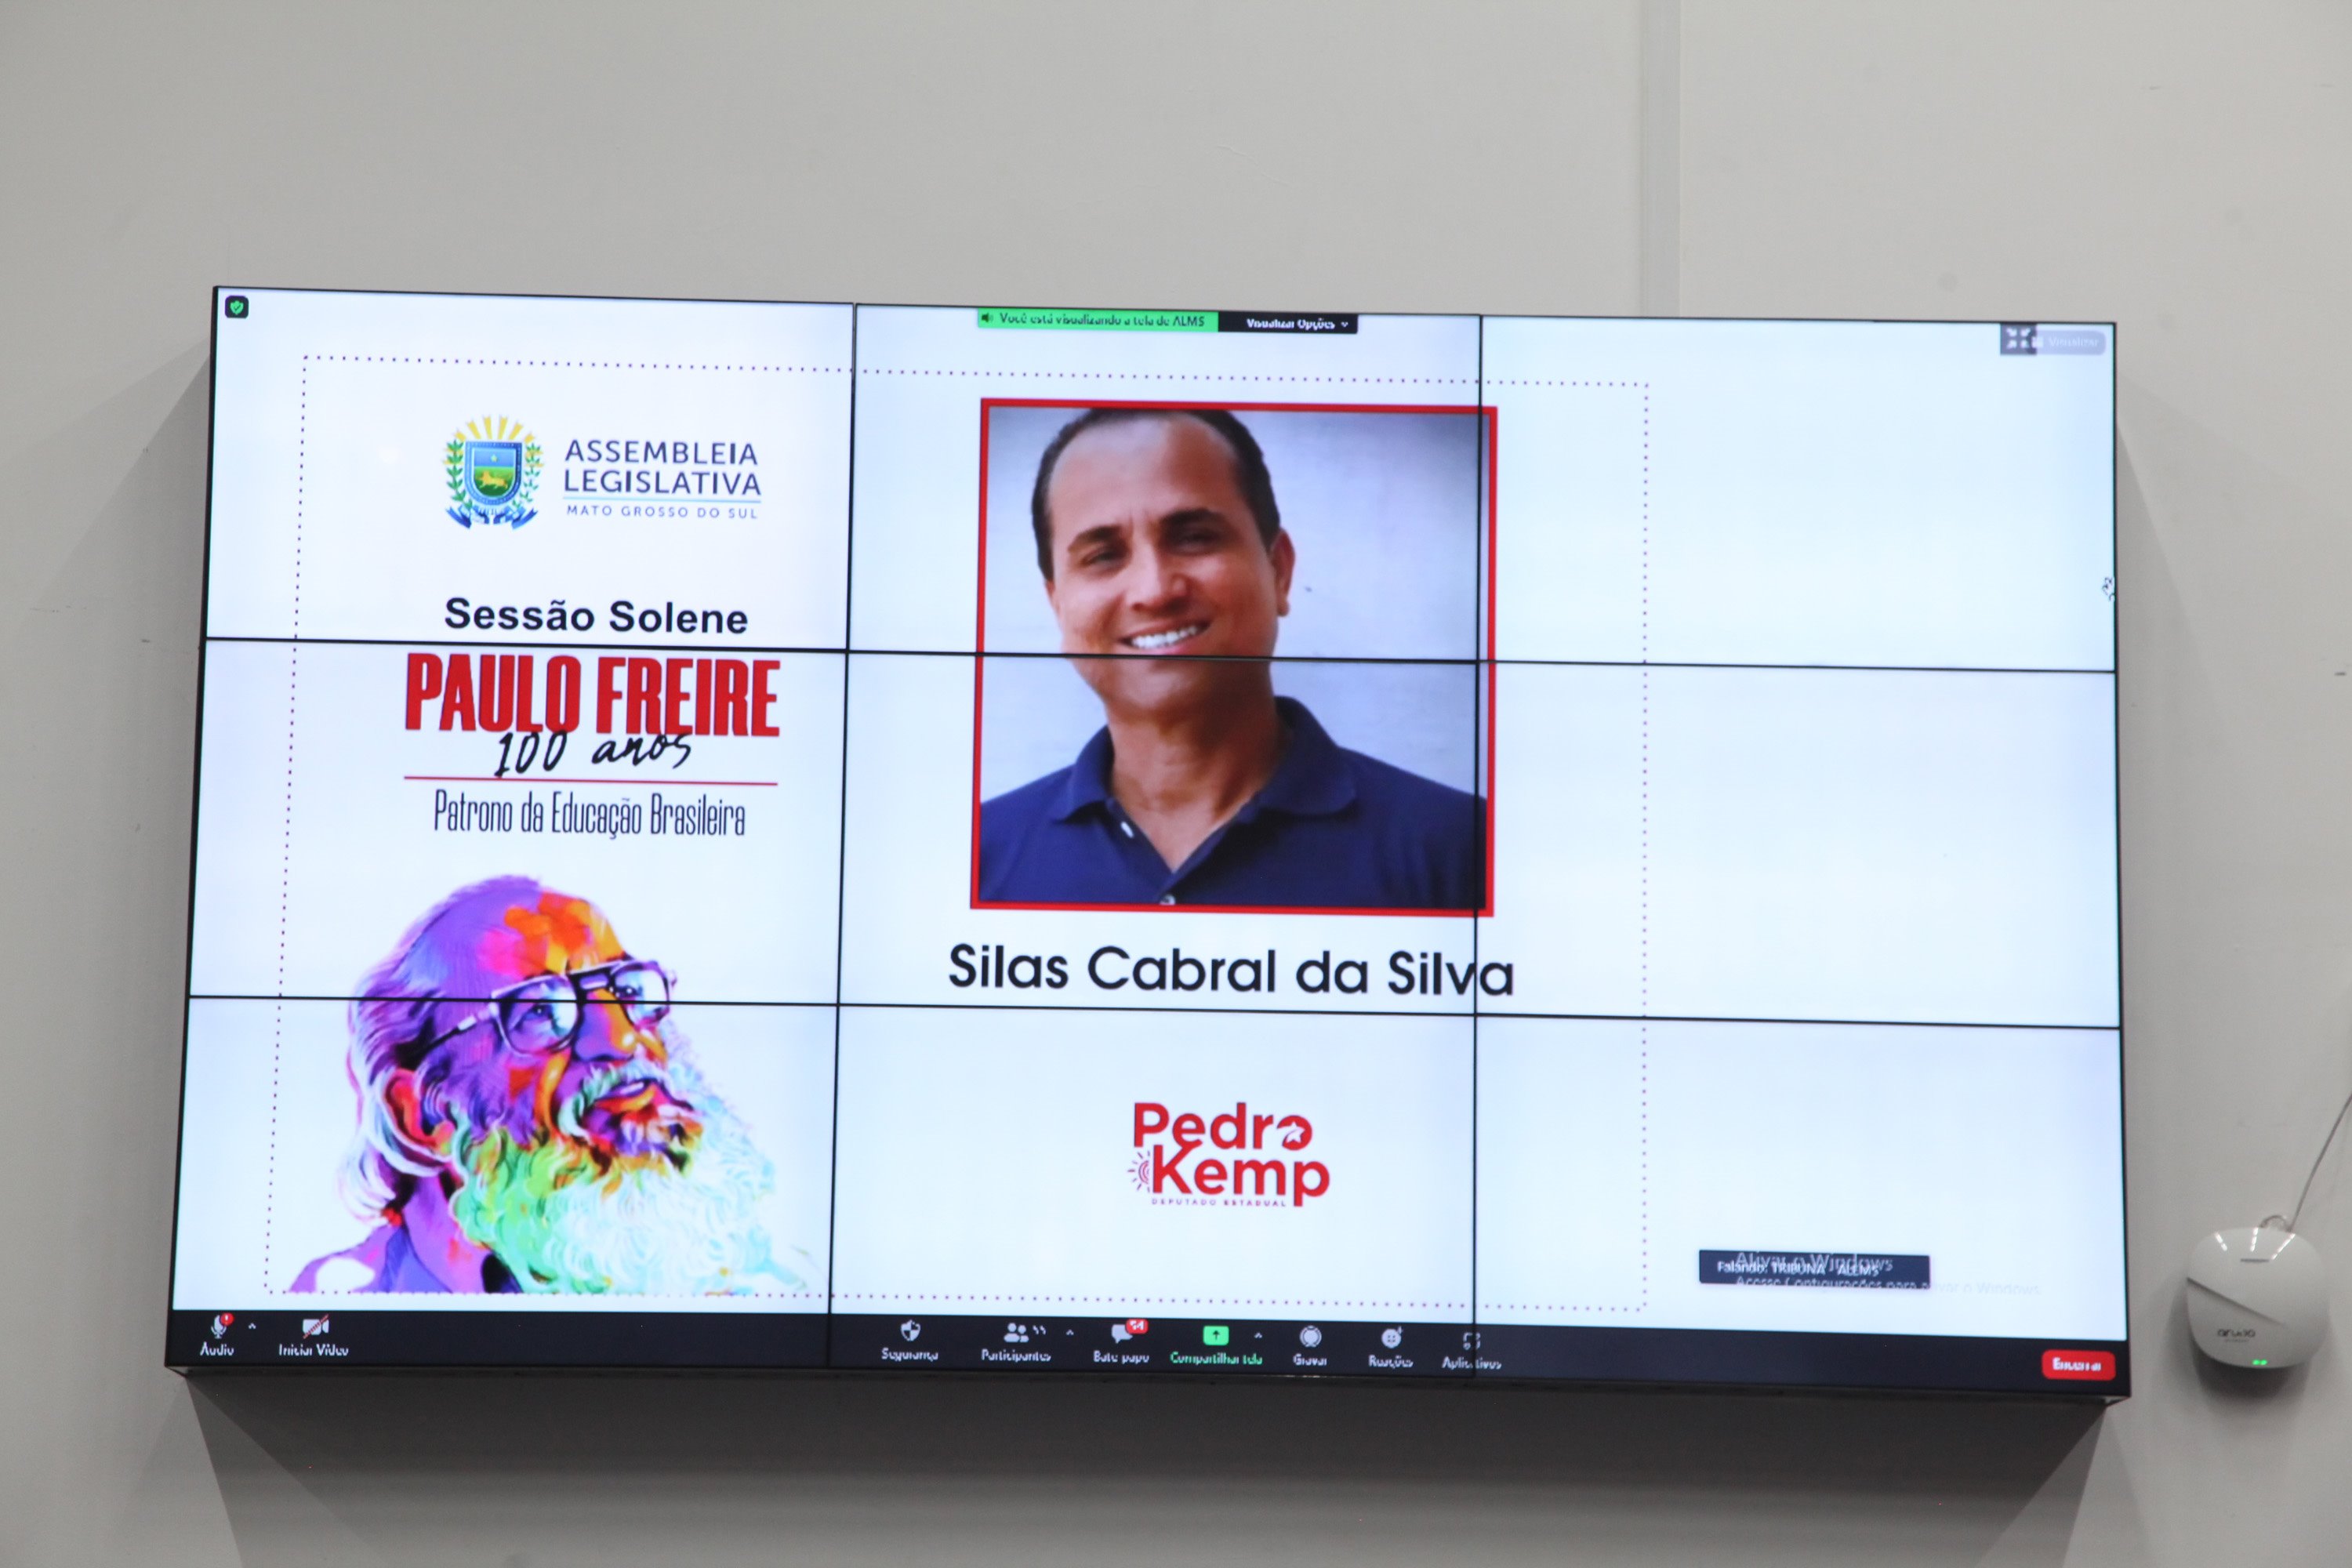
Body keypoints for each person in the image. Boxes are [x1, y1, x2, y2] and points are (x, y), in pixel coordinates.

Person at [978, 407, 1484, 910]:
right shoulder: (976, 856)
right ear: (1057, 604)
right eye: (1104, 556)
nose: (1154, 590)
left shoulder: (1462, 848)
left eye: (1194, 538)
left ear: (1279, 571)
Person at [294, 876, 796, 1294]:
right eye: (539, 1010)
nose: (621, 1038)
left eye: (626, 990)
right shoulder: (333, 1303)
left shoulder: (769, 1293)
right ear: (423, 1115)